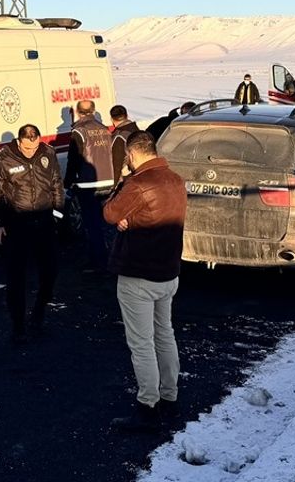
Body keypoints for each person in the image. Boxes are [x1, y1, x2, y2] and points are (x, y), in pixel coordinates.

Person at [102, 132, 187, 432]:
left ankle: (148, 406)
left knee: (141, 343)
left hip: (139, 273)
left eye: (127, 156)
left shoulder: (136, 183)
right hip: (169, 271)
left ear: (133, 154)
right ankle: (170, 397)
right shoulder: (175, 179)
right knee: (165, 334)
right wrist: (130, 217)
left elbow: (110, 212)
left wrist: (124, 183)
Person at [0, 123, 65, 343]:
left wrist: (58, 215)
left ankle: (38, 313)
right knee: (16, 277)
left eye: (35, 146)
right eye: (28, 148)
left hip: (44, 222)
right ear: (20, 142)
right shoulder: (2, 158)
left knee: (50, 271)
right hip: (16, 224)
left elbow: (57, 184)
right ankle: (18, 326)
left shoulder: (47, 152)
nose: (32, 152)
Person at [65, 100, 117, 272]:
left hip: (89, 183)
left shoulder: (79, 132)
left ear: (78, 112)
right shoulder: (104, 129)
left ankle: (98, 262)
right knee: (107, 223)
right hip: (108, 180)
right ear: (93, 111)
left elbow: (75, 159)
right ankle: (113, 257)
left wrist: (68, 181)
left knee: (92, 224)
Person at [110, 105, 140, 184]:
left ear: (112, 119)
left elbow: (116, 164)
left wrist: (114, 184)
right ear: (127, 115)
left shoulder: (119, 137)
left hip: (126, 177)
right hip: (140, 171)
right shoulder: (137, 131)